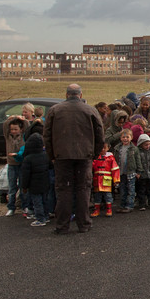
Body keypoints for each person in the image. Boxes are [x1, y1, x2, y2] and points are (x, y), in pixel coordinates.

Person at [44, 84, 104, 235]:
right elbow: (100, 136)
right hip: (84, 156)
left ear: (66, 95)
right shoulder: (90, 110)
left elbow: (47, 136)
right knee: (83, 189)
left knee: (64, 190)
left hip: (62, 156)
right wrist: (94, 154)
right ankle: (84, 223)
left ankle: (62, 225)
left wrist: (52, 155)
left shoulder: (55, 110)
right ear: (80, 95)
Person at [18, 130, 51, 227]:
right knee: (45, 201)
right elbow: (50, 167)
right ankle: (46, 216)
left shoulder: (28, 159)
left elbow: (25, 175)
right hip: (45, 182)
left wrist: (24, 186)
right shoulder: (45, 156)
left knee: (37, 202)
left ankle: (40, 219)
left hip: (34, 185)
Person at [3, 117, 26, 217]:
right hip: (12, 164)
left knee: (23, 186)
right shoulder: (8, 137)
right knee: (12, 187)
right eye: (12, 129)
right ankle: (11, 207)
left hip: (21, 163)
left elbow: (26, 125)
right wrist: (10, 119)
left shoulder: (23, 136)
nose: (13, 131)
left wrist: (21, 119)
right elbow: (5, 126)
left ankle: (24, 205)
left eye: (15, 129)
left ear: (20, 130)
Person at [112, 128, 139, 213]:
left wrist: (139, 171)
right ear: (120, 138)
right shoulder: (117, 148)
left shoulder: (134, 149)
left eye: (127, 137)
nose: (125, 139)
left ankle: (129, 205)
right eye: (123, 137)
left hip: (131, 172)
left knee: (131, 190)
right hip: (120, 172)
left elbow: (138, 160)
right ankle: (122, 205)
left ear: (131, 138)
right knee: (122, 189)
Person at [91, 141, 120, 218]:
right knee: (97, 196)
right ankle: (96, 210)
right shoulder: (95, 158)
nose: (102, 149)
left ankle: (109, 209)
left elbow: (115, 169)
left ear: (108, 148)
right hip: (97, 179)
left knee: (108, 195)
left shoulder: (110, 158)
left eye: (104, 147)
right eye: (101, 147)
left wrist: (116, 180)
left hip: (106, 179)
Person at [132, 132, 150, 211]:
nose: (148, 146)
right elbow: (136, 162)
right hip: (142, 174)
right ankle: (142, 204)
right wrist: (138, 172)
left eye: (148, 144)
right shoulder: (138, 151)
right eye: (145, 145)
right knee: (142, 190)